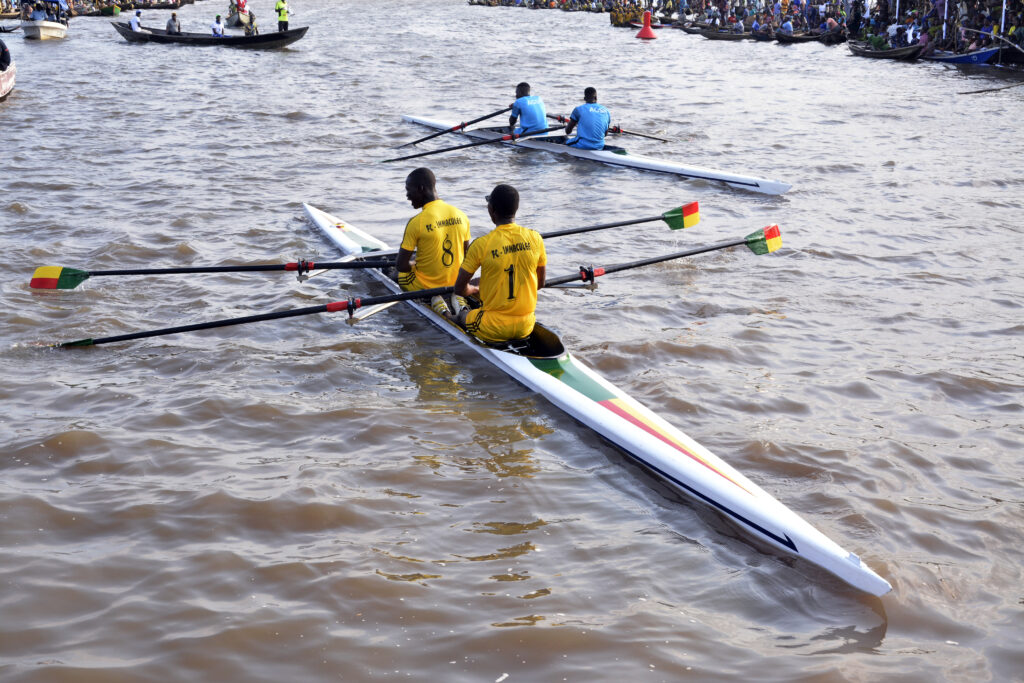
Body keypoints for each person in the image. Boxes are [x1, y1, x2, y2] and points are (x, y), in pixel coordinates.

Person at [454, 184, 546, 344]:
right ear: (515, 209)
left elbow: (460, 289)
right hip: (526, 325)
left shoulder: (482, 244)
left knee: (462, 315)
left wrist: (474, 289)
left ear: (492, 210)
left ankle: (449, 316)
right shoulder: (535, 238)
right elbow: (540, 283)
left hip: (493, 328)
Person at [396, 167, 471, 317]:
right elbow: (467, 257)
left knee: (398, 274)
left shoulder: (416, 222)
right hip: (455, 282)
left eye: (408, 190)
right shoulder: (461, 215)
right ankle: (456, 297)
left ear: (421, 189)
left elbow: (401, 266)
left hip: (427, 286)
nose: (407, 196)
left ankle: (435, 299)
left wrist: (413, 263)